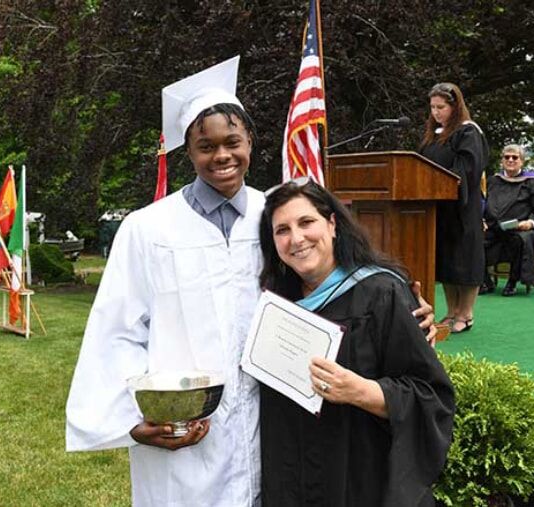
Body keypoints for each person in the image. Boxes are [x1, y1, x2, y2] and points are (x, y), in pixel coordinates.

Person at [65, 57, 437, 507]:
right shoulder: (148, 229)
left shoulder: (275, 216)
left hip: (274, 427)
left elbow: (334, 286)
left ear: (250, 143)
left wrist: (405, 316)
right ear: (189, 152)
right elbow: (117, 331)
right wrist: (132, 419)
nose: (221, 156)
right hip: (187, 432)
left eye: (232, 142)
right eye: (205, 146)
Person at [258, 179, 455, 507]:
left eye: (306, 222)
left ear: (332, 224)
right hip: (291, 477)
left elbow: (430, 395)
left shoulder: (382, 293)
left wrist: (359, 390)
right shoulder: (274, 304)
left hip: (362, 478)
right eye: (282, 230)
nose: (296, 238)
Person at [419, 82, 489, 334]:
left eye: (441, 107)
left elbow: (468, 169)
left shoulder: (468, 132)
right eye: (432, 107)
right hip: (440, 208)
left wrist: (443, 184)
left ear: (455, 106)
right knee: (447, 261)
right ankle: (451, 311)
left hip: (462, 207)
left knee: (464, 260)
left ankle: (466, 314)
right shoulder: (434, 134)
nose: (436, 112)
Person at [480, 144, 534, 296]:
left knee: (521, 240)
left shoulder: (531, 182)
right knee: (474, 238)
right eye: (507, 157)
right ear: (502, 160)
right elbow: (482, 204)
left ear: (522, 161)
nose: (510, 160)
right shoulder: (492, 181)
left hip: (519, 229)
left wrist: (530, 222)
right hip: (493, 227)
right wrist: (481, 220)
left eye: (515, 157)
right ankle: (485, 281)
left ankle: (512, 282)